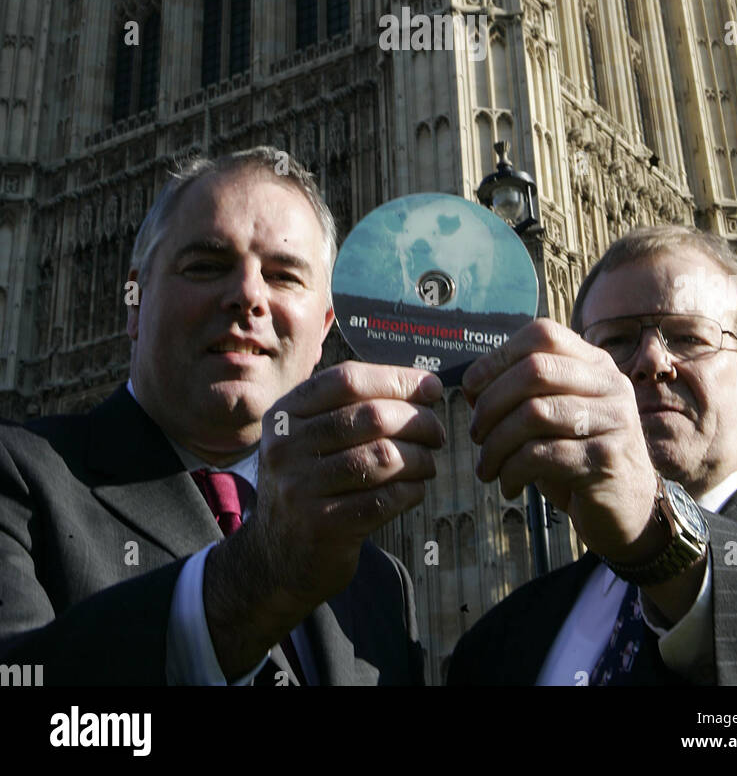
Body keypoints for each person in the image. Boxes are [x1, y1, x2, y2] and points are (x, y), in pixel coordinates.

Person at [0, 147, 445, 685]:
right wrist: (252, 581)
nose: (247, 296)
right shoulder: (19, 479)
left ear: (325, 327)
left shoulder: (380, 584)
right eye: (207, 266)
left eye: (283, 276)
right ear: (134, 303)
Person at [447, 225, 737, 686]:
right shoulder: (497, 642)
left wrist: (661, 537)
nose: (651, 359)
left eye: (687, 337)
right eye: (616, 341)